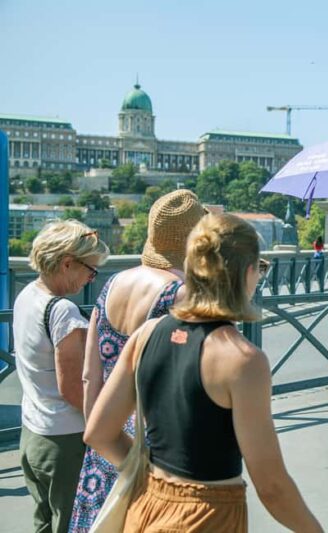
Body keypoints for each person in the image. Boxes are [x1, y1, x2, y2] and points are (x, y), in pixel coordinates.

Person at [84, 213, 322, 532]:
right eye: (260, 268)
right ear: (248, 272)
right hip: (208, 515)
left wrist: (147, 476)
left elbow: (98, 433)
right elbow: (272, 487)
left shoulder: (146, 334)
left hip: (145, 507)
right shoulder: (242, 360)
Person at [70, 189, 206, 532]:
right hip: (156, 447)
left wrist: (98, 432)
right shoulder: (181, 293)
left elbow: (90, 375)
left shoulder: (112, 283)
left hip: (108, 439)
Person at [13, 220, 109, 533]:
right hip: (64, 441)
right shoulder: (63, 312)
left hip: (33, 434)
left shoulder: (28, 295)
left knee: (44, 522)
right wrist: (111, 426)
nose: (91, 278)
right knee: (72, 524)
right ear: (67, 263)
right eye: (91, 270)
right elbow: (73, 389)